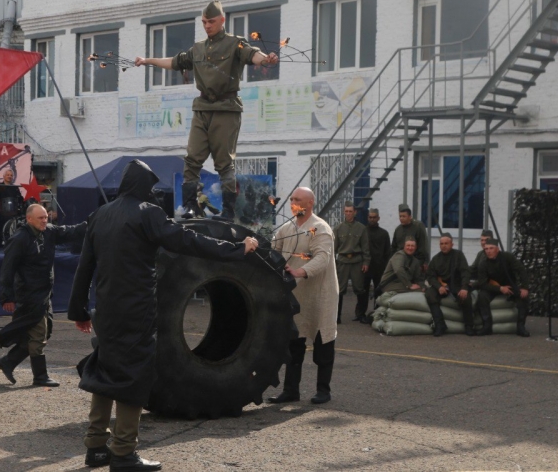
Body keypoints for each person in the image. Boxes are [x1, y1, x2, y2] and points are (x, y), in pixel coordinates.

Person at [68, 160, 259, 471]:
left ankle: (96, 446)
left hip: (105, 311)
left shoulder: (101, 214)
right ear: (144, 185)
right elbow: (189, 241)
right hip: (136, 312)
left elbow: (84, 267)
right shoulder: (148, 213)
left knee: (104, 374)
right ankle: (124, 453)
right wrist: (236, 249)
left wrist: (78, 310)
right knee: (133, 376)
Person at [134, 0, 279, 221]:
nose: (207, 25)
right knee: (192, 159)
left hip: (226, 109)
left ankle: (229, 212)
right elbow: (175, 61)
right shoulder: (198, 48)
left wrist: (266, 60)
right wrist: (147, 61)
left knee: (224, 163)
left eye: (211, 21)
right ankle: (191, 206)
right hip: (202, 108)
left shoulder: (235, 44)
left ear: (222, 20)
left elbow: (253, 54)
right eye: (203, 22)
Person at [0, 204, 86, 387]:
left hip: (44, 294)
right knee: (38, 335)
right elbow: (7, 269)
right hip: (29, 295)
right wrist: (7, 296)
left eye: (46, 217)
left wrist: (93, 221)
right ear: (29, 219)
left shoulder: (49, 231)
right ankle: (40, 376)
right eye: (41, 218)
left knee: (46, 330)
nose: (45, 221)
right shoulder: (20, 239)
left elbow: (69, 231)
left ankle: (9, 361)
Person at [269, 187, 338, 405]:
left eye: (297, 199)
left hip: (320, 295)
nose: (293, 202)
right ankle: (291, 391)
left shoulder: (320, 228)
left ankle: (323, 390)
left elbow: (322, 258)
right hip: (296, 294)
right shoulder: (286, 228)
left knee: (323, 342)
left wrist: (300, 271)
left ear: (309, 204)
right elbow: (274, 250)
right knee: (294, 344)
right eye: (291, 199)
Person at [477, 238, 531, 337]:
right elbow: (483, 284)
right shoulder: (483, 264)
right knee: (482, 296)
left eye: (491, 248)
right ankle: (487, 326)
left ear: (497, 249)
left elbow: (521, 270)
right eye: (486, 249)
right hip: (493, 288)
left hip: (510, 285)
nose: (488, 251)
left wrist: (525, 287)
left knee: (524, 297)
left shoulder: (507, 257)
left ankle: (520, 327)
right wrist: (500, 288)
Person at [425, 233, 473, 337]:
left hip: (457, 285)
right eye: (441, 243)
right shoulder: (436, 259)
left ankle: (469, 326)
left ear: (452, 244)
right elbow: (430, 276)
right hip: (442, 286)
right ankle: (440, 325)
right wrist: (439, 287)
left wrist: (464, 287)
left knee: (466, 298)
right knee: (430, 294)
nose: (444, 245)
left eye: (446, 243)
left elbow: (465, 272)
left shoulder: (458, 255)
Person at [333, 201, 370, 324]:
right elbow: (334, 248)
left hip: (357, 261)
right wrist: (332, 263)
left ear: (355, 212)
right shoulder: (338, 228)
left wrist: (366, 262)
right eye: (346, 211)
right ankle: (336, 316)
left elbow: (365, 247)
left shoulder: (361, 228)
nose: (348, 214)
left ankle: (360, 314)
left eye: (350, 211)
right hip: (343, 261)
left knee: (360, 288)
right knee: (340, 289)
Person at [361, 208, 390, 322]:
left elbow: (388, 252)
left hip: (379, 267)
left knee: (379, 291)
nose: (372, 219)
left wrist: (386, 268)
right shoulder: (363, 232)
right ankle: (361, 314)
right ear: (368, 218)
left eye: (374, 217)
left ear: (378, 218)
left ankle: (377, 313)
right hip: (365, 267)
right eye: (370, 217)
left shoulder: (384, 233)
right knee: (363, 292)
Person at [0, 168, 25, 247]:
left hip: (13, 211)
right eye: (8, 175)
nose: (9, 176)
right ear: (4, 176)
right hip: (2, 211)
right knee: (0, 226)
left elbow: (19, 198)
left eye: (11, 175)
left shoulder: (15, 187)